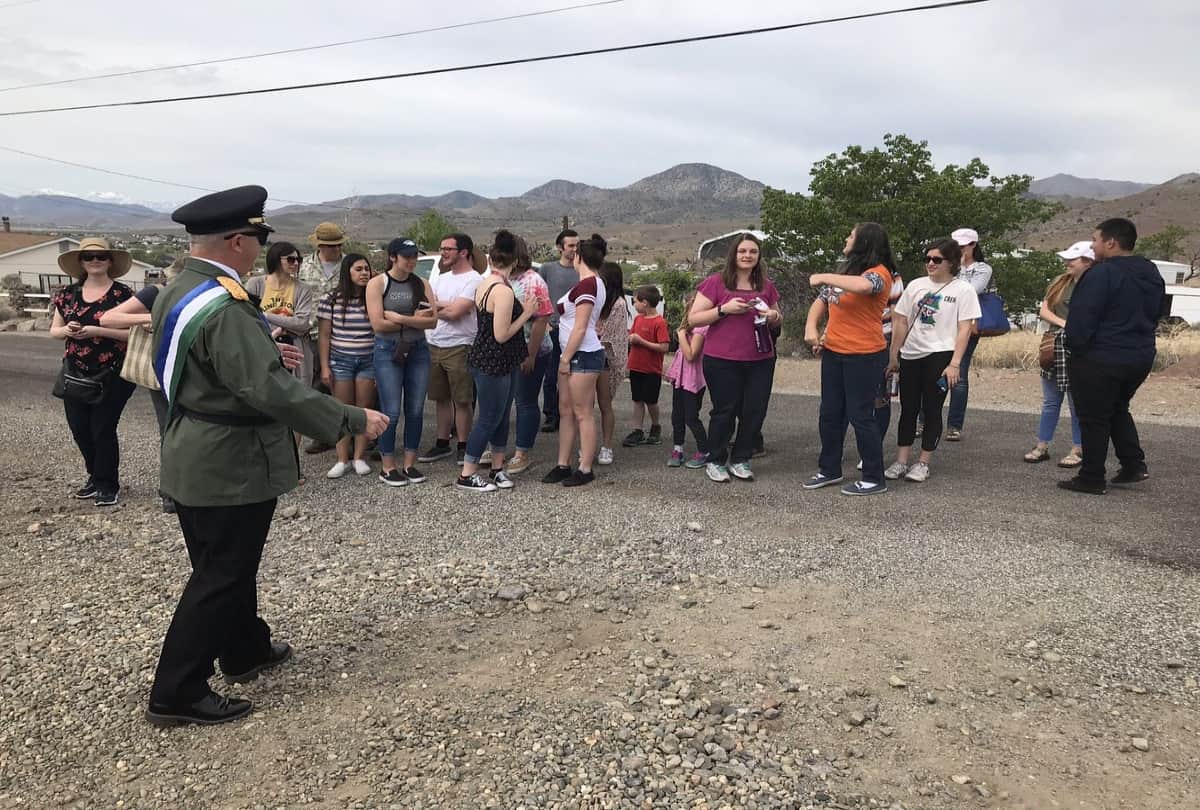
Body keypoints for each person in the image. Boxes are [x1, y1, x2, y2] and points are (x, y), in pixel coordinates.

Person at [145, 186, 387, 727]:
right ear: (236, 241)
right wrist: (351, 419)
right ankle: (176, 691)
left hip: (198, 450)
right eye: (256, 238)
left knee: (229, 563)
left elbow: (211, 362)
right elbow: (271, 392)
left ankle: (243, 648)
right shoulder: (224, 305)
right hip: (229, 460)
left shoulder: (182, 287)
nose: (260, 247)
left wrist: (260, 352)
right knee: (222, 573)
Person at [1060, 218, 1165, 495]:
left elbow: (1082, 319)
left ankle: (1091, 477)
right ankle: (1133, 465)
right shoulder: (1150, 271)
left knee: (1094, 416)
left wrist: (1075, 349)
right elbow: (1156, 312)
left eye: (1095, 240)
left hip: (1101, 357)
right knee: (1118, 408)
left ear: (1111, 242)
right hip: (1140, 354)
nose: (1093, 246)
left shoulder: (1100, 273)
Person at [802, 223, 896, 495]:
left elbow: (865, 287)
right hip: (834, 351)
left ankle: (874, 477)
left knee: (861, 415)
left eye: (852, 236)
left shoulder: (880, 274)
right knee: (829, 413)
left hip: (865, 355)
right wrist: (812, 328)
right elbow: (822, 301)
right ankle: (829, 469)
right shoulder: (846, 273)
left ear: (865, 242)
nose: (846, 238)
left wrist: (823, 275)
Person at [883, 238, 981, 483]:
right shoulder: (916, 285)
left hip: (941, 354)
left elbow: (964, 329)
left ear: (951, 262)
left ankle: (923, 462)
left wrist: (955, 363)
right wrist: (894, 353)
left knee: (932, 409)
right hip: (912, 353)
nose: (930, 263)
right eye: (927, 258)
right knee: (908, 409)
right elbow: (901, 321)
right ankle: (901, 460)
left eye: (937, 260)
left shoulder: (963, 290)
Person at [49, 237, 137, 507]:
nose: (95, 260)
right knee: (80, 429)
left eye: (101, 256)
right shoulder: (66, 295)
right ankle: (95, 476)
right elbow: (54, 330)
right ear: (81, 262)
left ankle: (107, 484)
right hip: (76, 371)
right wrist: (67, 331)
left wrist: (97, 330)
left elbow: (134, 332)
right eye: (88, 256)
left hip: (113, 371)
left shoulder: (123, 295)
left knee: (102, 428)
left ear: (110, 260)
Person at [688, 233, 782, 483]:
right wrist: (723, 310)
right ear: (734, 254)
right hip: (722, 359)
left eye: (752, 251)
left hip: (760, 358)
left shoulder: (767, 286)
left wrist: (772, 315)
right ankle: (716, 460)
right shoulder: (716, 283)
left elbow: (778, 316)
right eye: (743, 251)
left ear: (759, 256)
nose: (747, 256)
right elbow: (694, 319)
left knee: (754, 411)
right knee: (724, 411)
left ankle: (741, 459)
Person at [97, 256, 185, 512]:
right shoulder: (155, 293)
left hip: (195, 371)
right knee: (169, 430)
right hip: (161, 373)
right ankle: (170, 490)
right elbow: (108, 319)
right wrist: (153, 317)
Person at [457, 230, 538, 492]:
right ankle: (467, 473)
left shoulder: (485, 284)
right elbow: (501, 334)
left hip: (498, 359)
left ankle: (497, 468)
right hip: (494, 360)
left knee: (502, 415)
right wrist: (526, 313)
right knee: (490, 417)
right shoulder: (502, 291)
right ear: (514, 261)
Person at [366, 238, 437, 486]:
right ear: (393, 257)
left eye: (415, 256)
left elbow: (432, 321)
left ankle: (409, 463)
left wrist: (398, 317)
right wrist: (412, 318)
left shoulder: (422, 284)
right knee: (391, 411)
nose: (412, 261)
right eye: (407, 256)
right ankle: (388, 466)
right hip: (388, 350)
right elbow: (378, 324)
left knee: (416, 409)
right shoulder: (378, 284)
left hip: (418, 350)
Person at [541, 234, 608, 487]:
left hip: (581, 354)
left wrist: (565, 358)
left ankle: (585, 467)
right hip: (573, 354)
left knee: (582, 413)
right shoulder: (590, 283)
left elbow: (580, 328)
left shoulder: (589, 285)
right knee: (566, 411)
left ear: (579, 256)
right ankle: (562, 463)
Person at [245, 241, 317, 458]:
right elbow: (246, 316)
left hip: (296, 350)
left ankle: (291, 461)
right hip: (263, 348)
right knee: (263, 403)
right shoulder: (256, 284)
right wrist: (282, 323)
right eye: (291, 259)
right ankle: (265, 457)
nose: (296, 264)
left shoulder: (302, 289)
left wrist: (266, 315)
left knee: (296, 405)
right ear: (277, 259)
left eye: (298, 259)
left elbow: (303, 323)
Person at [418, 233, 482, 466]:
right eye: (442, 247)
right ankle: (442, 442)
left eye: (448, 249)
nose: (442, 252)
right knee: (440, 398)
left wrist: (437, 309)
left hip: (460, 346)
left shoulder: (474, 280)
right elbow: (426, 307)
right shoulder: (440, 278)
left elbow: (457, 312)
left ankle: (464, 445)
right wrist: (442, 307)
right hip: (434, 344)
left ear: (463, 252)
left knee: (462, 399)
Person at [1025, 241, 1090, 467]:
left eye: (1073, 259)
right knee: (1051, 401)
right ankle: (1042, 445)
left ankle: (1078, 448)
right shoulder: (1060, 282)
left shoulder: (1094, 285)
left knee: (1076, 401)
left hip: (1079, 347)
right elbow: (1043, 310)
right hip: (1055, 344)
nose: (1067, 263)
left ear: (1088, 261)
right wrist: (1066, 324)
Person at [318, 253, 378, 479]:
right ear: (347, 272)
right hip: (340, 360)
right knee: (342, 410)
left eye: (367, 269)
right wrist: (325, 367)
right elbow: (324, 335)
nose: (364, 273)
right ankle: (342, 460)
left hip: (368, 360)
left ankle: (359, 457)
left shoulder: (372, 298)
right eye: (358, 269)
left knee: (364, 409)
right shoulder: (330, 299)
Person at [298, 221, 349, 453]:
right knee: (317, 387)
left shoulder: (349, 265)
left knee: (343, 387)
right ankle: (324, 435)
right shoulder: (304, 267)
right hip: (311, 334)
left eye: (338, 244)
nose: (335, 249)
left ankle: (352, 436)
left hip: (343, 333)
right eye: (330, 245)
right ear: (320, 245)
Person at [507, 237, 554, 475]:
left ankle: (522, 451)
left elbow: (541, 319)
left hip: (530, 348)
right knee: (503, 402)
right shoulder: (503, 278)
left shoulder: (533, 280)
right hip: (505, 351)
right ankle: (497, 447)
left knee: (525, 401)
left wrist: (530, 354)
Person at [942, 227, 994, 441]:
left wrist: (959, 267)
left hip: (968, 325)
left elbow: (972, 290)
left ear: (973, 245)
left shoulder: (983, 269)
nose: (959, 250)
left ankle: (954, 425)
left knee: (959, 374)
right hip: (945, 323)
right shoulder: (944, 265)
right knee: (935, 371)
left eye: (962, 246)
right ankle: (923, 421)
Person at [538, 228, 581, 433]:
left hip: (575, 331)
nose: (574, 249)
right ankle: (550, 414)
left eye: (576, 245)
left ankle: (568, 412)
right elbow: (539, 296)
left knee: (573, 374)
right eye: (571, 245)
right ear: (560, 247)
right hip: (553, 328)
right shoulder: (547, 269)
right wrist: (544, 323)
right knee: (551, 374)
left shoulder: (582, 270)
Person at [622, 285, 670, 448]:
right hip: (636, 367)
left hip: (652, 369)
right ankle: (638, 430)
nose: (634, 304)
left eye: (635, 301)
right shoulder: (638, 319)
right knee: (637, 399)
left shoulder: (660, 322)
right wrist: (630, 339)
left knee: (651, 400)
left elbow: (664, 347)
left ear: (645, 303)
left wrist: (641, 341)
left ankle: (655, 426)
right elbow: (631, 337)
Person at [665, 291, 709, 468]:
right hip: (681, 379)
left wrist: (681, 335)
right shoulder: (688, 327)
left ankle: (704, 450)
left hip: (693, 380)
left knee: (691, 417)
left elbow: (691, 354)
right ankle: (678, 448)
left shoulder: (701, 329)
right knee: (677, 416)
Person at [595, 261, 628, 466]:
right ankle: (588, 444)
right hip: (590, 355)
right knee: (586, 407)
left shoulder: (619, 304)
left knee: (605, 404)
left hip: (606, 358)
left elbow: (611, 336)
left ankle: (606, 446)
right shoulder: (597, 299)